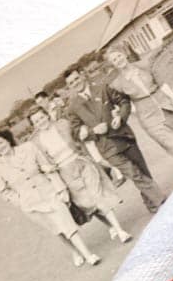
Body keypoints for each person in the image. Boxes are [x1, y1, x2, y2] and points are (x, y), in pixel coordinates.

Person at [0, 130, 101, 267]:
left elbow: (48, 168)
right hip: (31, 205)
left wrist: (61, 189)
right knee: (56, 230)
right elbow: (3, 190)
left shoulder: (29, 148)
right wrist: (19, 201)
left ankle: (88, 255)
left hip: (50, 193)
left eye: (0, 142)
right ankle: (74, 252)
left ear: (7, 140)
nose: (0, 147)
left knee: (68, 225)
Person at [64, 68, 166, 213]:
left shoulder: (102, 87)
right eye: (71, 82)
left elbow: (124, 101)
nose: (75, 83)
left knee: (142, 171)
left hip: (124, 136)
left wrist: (120, 117)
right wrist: (93, 132)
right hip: (107, 147)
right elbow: (75, 133)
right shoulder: (73, 108)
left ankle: (150, 202)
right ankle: (162, 200)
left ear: (82, 76)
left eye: (76, 78)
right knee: (133, 173)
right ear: (69, 87)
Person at [28, 106, 132, 244]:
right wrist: (46, 168)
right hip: (64, 173)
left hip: (81, 162)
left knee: (97, 196)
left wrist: (86, 135)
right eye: (36, 121)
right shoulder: (36, 142)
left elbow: (79, 134)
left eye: (41, 117)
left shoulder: (63, 124)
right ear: (34, 125)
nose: (41, 121)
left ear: (47, 115)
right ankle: (111, 226)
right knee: (87, 204)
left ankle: (120, 231)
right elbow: (38, 164)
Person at [105, 46, 173, 171]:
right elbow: (121, 103)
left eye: (119, 56)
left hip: (166, 106)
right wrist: (117, 114)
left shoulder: (144, 65)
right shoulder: (117, 84)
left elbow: (161, 82)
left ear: (125, 54)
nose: (118, 60)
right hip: (148, 118)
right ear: (112, 64)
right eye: (114, 60)